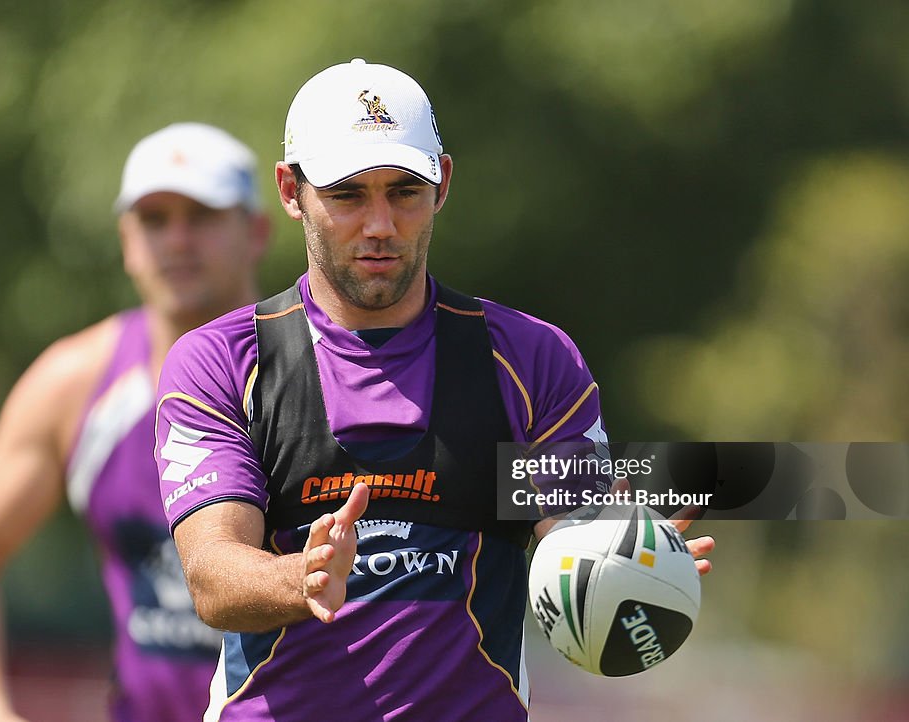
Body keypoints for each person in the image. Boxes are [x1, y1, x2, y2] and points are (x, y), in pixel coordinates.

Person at [155, 60, 715, 721]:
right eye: (347, 195)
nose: (380, 225)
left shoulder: (529, 360)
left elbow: (573, 532)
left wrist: (628, 559)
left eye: (404, 191)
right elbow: (213, 576)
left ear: (443, 183)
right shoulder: (222, 362)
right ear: (290, 189)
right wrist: (298, 577)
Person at [0, 123, 271, 722]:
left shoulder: (321, 372)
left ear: (257, 230)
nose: (178, 241)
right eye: (154, 219)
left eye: (203, 215)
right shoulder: (75, 383)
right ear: (126, 240)